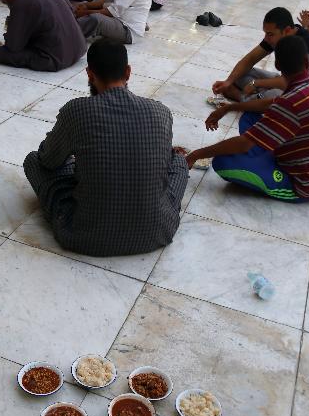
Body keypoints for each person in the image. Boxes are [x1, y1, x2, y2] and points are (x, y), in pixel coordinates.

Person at [23, 39, 188, 256]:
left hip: (83, 236)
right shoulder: (161, 112)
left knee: (33, 161)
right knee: (178, 161)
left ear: (89, 73)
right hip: (157, 232)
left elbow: (48, 160)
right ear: (128, 72)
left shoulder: (77, 111)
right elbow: (162, 168)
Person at [186, 35, 309, 202]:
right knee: (250, 115)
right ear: (307, 60)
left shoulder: (291, 103)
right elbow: (271, 104)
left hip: (301, 185)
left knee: (222, 163)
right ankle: (258, 153)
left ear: (277, 66)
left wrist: (196, 154)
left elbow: (244, 143)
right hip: (301, 159)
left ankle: (268, 171)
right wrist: (230, 107)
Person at [211, 6, 309, 105]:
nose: (266, 38)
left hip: (307, 93)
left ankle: (241, 97)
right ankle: (256, 95)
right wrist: (228, 81)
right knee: (242, 74)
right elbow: (251, 59)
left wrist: (256, 84)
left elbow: (294, 83)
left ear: (287, 30)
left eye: (270, 34)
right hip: (286, 81)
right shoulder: (279, 37)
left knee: (276, 98)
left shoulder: (307, 43)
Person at [0, 0, 86, 71]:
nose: (8, 6)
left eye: (5, 2)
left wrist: (10, 30)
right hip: (79, 48)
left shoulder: (22, 2)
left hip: (56, 58)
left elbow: (13, 46)